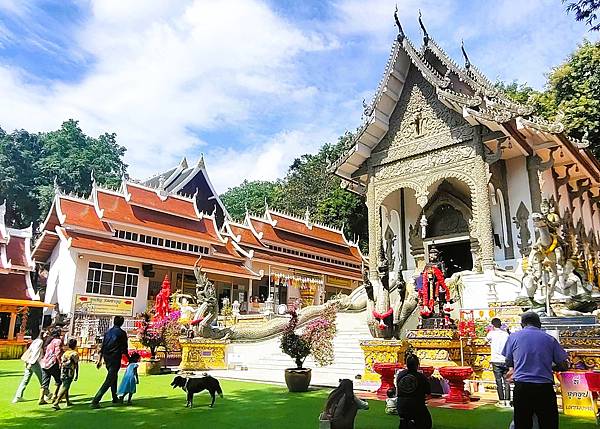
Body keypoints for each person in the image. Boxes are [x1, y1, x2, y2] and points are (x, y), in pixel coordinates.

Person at [503, 312, 569, 429]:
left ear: (522, 324)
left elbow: (508, 361)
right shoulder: (550, 339)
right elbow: (563, 364)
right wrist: (547, 366)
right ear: (539, 324)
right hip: (544, 388)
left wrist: (519, 365)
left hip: (522, 387)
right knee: (548, 423)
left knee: (522, 422)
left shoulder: (513, 337)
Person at [91, 315, 129, 408]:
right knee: (110, 379)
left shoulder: (108, 332)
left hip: (107, 357)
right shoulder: (122, 333)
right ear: (122, 323)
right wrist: (129, 358)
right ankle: (96, 400)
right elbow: (124, 348)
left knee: (113, 377)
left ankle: (114, 397)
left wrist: (100, 359)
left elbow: (103, 346)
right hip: (115, 357)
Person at [396, 354, 432, 429]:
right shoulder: (421, 377)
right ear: (417, 365)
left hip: (401, 405)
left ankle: (405, 422)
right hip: (416, 406)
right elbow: (428, 392)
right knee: (427, 424)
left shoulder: (400, 374)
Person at [13, 330, 46, 403]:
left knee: (25, 379)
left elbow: (30, 350)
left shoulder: (35, 341)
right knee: (42, 379)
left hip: (29, 361)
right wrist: (31, 362)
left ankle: (18, 396)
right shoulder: (40, 341)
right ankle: (47, 394)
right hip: (33, 362)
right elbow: (35, 353)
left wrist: (27, 361)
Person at [486, 317, 511, 407]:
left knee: (498, 381)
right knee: (507, 380)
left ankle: (501, 400)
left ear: (492, 325)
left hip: (495, 359)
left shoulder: (491, 334)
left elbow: (486, 340)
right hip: (505, 359)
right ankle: (508, 400)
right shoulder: (505, 334)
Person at [52, 338, 79, 410]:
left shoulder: (65, 353)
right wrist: (77, 374)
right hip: (70, 371)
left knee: (66, 385)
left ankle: (67, 401)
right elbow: (76, 364)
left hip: (63, 371)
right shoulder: (75, 353)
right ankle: (56, 402)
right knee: (65, 386)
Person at [40, 328, 63, 405]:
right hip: (53, 363)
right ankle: (54, 396)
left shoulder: (49, 341)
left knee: (45, 382)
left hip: (45, 363)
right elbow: (58, 353)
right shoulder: (58, 341)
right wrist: (60, 362)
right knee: (58, 381)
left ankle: (41, 398)